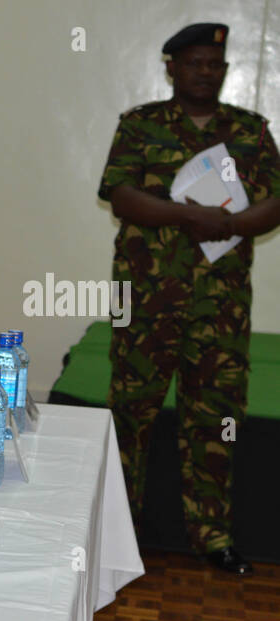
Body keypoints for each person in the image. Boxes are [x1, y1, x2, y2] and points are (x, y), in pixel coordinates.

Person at [98, 23, 280, 575]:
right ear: (171, 66)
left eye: (215, 64)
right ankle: (115, 531)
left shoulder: (249, 130)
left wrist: (231, 223)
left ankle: (213, 536)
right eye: (196, 63)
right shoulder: (141, 125)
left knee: (216, 418)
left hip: (218, 309)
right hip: (148, 302)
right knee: (132, 414)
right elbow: (122, 196)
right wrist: (189, 216)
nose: (207, 72)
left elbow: (276, 201)